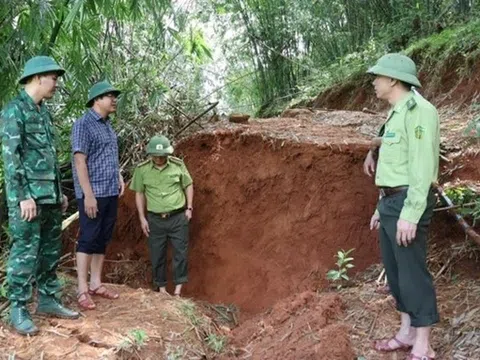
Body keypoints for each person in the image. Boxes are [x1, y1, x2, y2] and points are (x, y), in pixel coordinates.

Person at [366, 53, 440, 360]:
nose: (373, 82)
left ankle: (424, 344)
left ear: (393, 80)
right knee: (396, 274)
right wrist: (379, 208)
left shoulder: (420, 111)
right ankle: (407, 331)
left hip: (409, 202)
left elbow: (422, 168)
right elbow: (392, 168)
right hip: (390, 202)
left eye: (377, 76)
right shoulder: (394, 114)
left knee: (412, 273)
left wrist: (410, 214)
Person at [1, 56, 79, 335]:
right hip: (28, 200)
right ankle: (18, 308)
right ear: (37, 78)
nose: (56, 83)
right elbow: (12, 157)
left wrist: (58, 193)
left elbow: (47, 157)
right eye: (53, 78)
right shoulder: (15, 110)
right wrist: (23, 196)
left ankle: (47, 298)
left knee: (48, 253)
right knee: (24, 253)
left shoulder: (44, 112)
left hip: (49, 197)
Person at [71, 80, 125, 310]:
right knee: (88, 238)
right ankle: (82, 289)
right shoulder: (83, 124)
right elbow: (79, 161)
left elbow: (108, 156)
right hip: (93, 193)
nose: (113, 99)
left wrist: (119, 176)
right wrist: (88, 195)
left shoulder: (107, 125)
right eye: (108, 96)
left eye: (114, 95)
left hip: (110, 190)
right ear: (96, 100)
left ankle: (96, 283)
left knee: (102, 237)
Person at [129, 135, 193, 296]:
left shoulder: (178, 165)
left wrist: (189, 208)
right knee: (157, 254)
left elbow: (188, 184)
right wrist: (142, 218)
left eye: (162, 155)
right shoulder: (142, 169)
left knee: (180, 252)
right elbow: (139, 193)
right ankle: (162, 290)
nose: (158, 158)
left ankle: (178, 291)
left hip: (178, 217)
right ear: (150, 154)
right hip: (155, 219)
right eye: (155, 155)